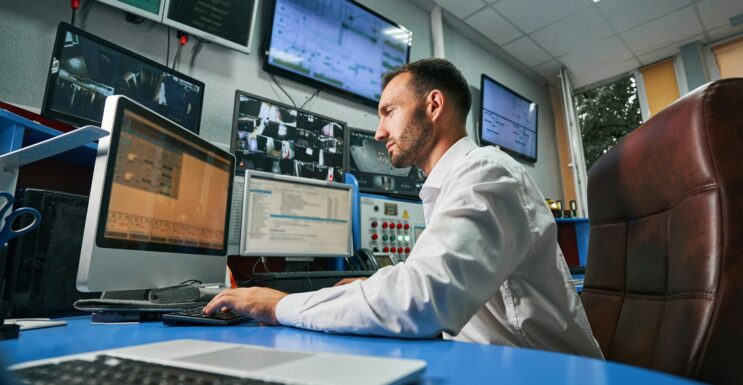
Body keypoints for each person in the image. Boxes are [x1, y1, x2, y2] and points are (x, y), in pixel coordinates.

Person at [205, 59, 603, 358]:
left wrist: (279, 305)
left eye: (388, 112)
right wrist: (372, 285)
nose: (379, 132)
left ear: (433, 105)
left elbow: (423, 299)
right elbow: (431, 277)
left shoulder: (487, 173)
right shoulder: (458, 183)